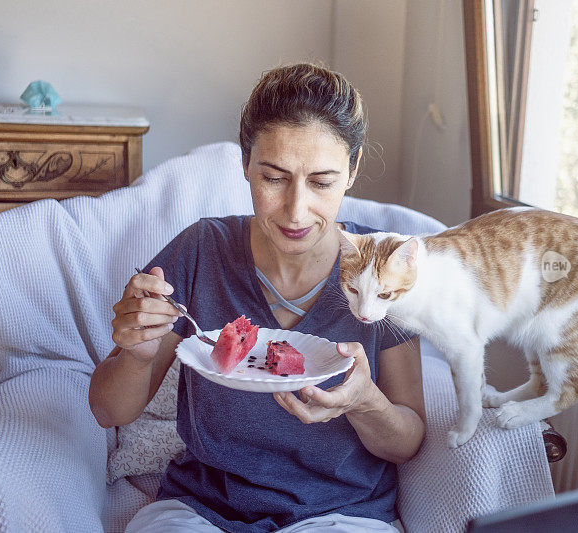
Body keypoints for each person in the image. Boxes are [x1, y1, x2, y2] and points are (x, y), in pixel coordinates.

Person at [88, 63, 426, 533]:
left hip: (342, 515)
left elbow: (407, 440)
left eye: (322, 182)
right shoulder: (200, 250)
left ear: (353, 169)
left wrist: (365, 402)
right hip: (202, 510)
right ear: (245, 164)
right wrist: (136, 356)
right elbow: (109, 411)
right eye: (273, 177)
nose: (295, 210)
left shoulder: (385, 271)